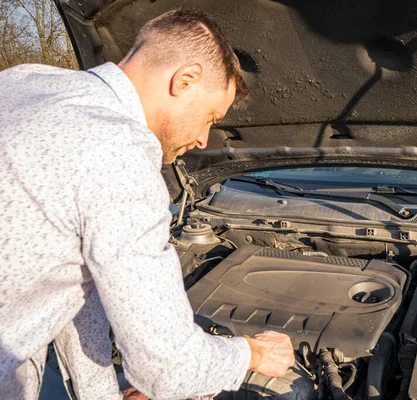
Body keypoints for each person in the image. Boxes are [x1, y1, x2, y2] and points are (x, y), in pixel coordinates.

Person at [0, 8, 295, 400]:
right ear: (185, 79)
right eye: (210, 116)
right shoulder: (117, 149)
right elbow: (168, 367)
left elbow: (73, 290)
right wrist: (251, 354)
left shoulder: (24, 81)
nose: (205, 139)